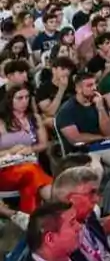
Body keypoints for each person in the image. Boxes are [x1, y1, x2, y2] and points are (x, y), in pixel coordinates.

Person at [0, 82, 53, 216]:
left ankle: (30, 220)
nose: (24, 101)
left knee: (31, 177)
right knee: (32, 172)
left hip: (29, 165)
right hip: (5, 170)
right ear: (9, 100)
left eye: (27, 97)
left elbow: (44, 144)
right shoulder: (1, 121)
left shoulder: (34, 118)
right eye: (20, 98)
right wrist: (11, 151)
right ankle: (55, 200)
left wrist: (31, 149)